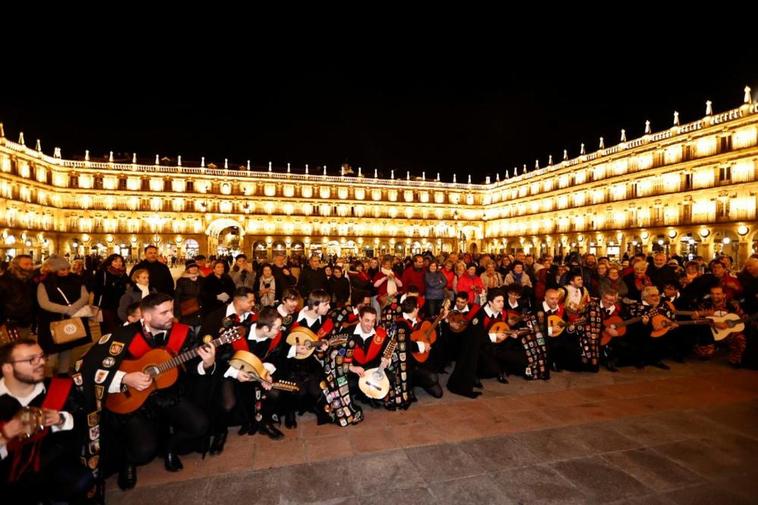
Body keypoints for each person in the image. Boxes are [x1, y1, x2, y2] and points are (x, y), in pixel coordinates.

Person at [77, 293, 215, 490]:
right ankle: (127, 461)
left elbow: (191, 366)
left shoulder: (184, 333)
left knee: (200, 425)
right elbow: (89, 367)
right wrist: (125, 378)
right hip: (132, 401)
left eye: (172, 310)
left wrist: (207, 363)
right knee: (144, 452)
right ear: (147, 316)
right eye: (164, 312)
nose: (171, 316)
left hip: (167, 394)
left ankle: (170, 447)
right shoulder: (122, 336)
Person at [0, 339, 93, 504]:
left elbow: (87, 423)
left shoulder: (60, 388)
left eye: (42, 356)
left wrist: (61, 419)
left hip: (51, 462)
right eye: (31, 360)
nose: (41, 362)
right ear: (7, 367)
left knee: (80, 479)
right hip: (6, 471)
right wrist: (6, 435)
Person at [36, 256, 91, 376]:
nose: (66, 272)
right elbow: (44, 303)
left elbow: (85, 296)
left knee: (67, 345)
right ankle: (47, 374)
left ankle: (63, 371)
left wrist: (72, 309)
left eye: (67, 269)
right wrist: (67, 310)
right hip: (51, 320)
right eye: (62, 270)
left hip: (70, 318)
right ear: (53, 269)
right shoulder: (44, 283)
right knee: (52, 349)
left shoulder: (76, 279)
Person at [0, 255, 37, 340]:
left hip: (26, 323)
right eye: (26, 264)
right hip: (9, 324)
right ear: (16, 265)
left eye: (31, 264)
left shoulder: (29, 281)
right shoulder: (4, 281)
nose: (30, 267)